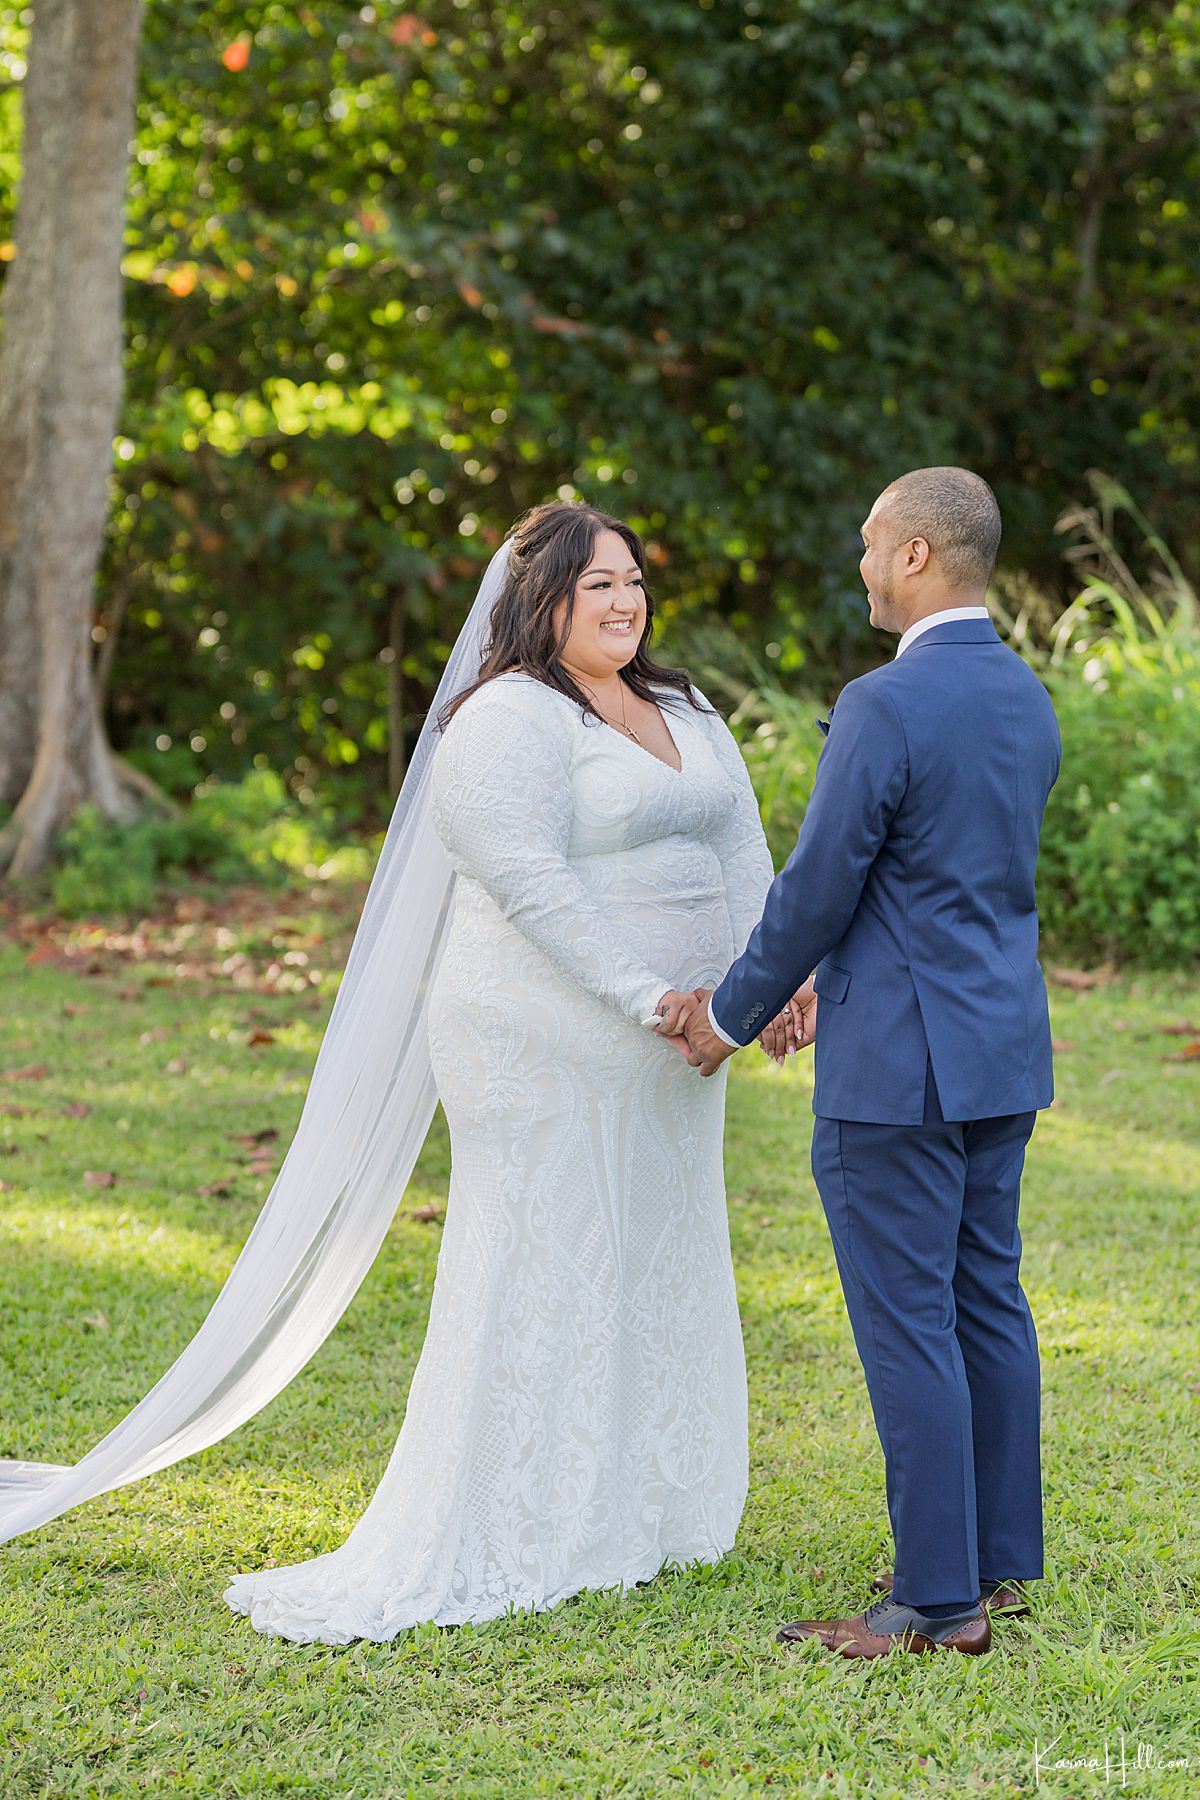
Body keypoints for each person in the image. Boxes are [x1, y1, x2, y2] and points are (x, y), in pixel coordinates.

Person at [664, 467, 1060, 1659]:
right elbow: (943, 884)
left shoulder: (885, 704)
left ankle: (934, 1602)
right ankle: (996, 1566)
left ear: (920, 558)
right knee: (988, 1300)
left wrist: (729, 1016)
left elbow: (820, 887)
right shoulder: (1028, 697)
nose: (862, 567)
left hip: (899, 1072)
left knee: (909, 1325)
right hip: (1001, 1052)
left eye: (872, 547)